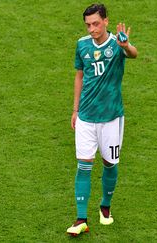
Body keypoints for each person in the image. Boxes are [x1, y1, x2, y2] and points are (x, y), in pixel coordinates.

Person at [66, 3, 138, 236]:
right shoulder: (81, 45)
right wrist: (75, 110)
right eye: (88, 25)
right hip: (86, 117)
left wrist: (126, 45)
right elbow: (79, 76)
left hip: (111, 119)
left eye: (96, 24)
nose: (92, 29)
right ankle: (80, 219)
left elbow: (133, 54)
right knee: (83, 166)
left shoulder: (117, 43)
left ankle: (105, 207)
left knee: (110, 164)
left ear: (106, 21)